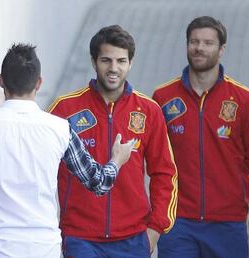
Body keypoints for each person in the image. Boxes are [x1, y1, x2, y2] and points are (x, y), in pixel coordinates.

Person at [0, 43, 135, 258]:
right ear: (39, 83)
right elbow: (98, 182)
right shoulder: (60, 129)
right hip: (44, 249)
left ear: (1, 80)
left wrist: (2, 110)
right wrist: (117, 160)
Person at [48, 25, 178, 257]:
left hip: (133, 239)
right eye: (106, 60)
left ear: (131, 63)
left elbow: (164, 172)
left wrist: (155, 229)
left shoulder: (149, 111)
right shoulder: (65, 108)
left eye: (121, 61)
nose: (113, 68)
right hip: (80, 238)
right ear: (93, 61)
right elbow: (42, 167)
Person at [152, 16, 249, 258]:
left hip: (227, 222)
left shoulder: (244, 99)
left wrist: (231, 184)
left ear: (221, 49)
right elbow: (155, 156)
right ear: (186, 45)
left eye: (208, 43)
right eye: (194, 42)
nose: (199, 48)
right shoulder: (163, 97)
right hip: (177, 221)